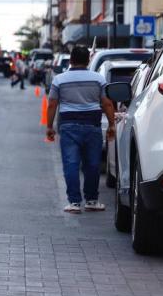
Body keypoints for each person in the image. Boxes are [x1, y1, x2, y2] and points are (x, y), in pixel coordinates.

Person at [46, 46, 115, 214]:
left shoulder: (59, 80)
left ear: (70, 60)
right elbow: (107, 103)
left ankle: (74, 203)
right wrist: (112, 124)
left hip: (68, 126)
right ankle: (92, 200)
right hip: (92, 125)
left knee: (71, 163)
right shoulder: (98, 79)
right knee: (92, 164)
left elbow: (52, 104)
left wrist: (50, 127)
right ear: (88, 60)